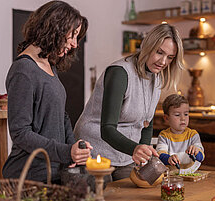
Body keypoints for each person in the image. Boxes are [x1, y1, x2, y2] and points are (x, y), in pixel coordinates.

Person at [74, 24, 184, 182]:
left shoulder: (156, 76)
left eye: (170, 57)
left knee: (138, 192)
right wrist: (135, 149)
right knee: (103, 193)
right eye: (159, 52)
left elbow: (147, 123)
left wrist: (144, 156)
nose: (163, 61)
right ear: (147, 46)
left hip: (125, 154)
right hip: (94, 151)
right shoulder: (120, 73)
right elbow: (107, 129)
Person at [2, 1, 92, 184]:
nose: (75, 44)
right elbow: (20, 133)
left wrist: (73, 150)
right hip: (30, 175)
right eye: (73, 35)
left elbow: (62, 115)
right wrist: (66, 152)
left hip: (55, 170)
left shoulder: (49, 66)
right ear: (56, 27)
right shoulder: (23, 70)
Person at [156, 94, 205, 170]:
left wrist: (196, 151)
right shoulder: (164, 136)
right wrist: (169, 158)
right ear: (166, 118)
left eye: (186, 114)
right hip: (171, 176)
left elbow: (201, 157)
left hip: (190, 175)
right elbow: (160, 155)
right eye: (177, 115)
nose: (183, 118)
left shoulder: (193, 135)